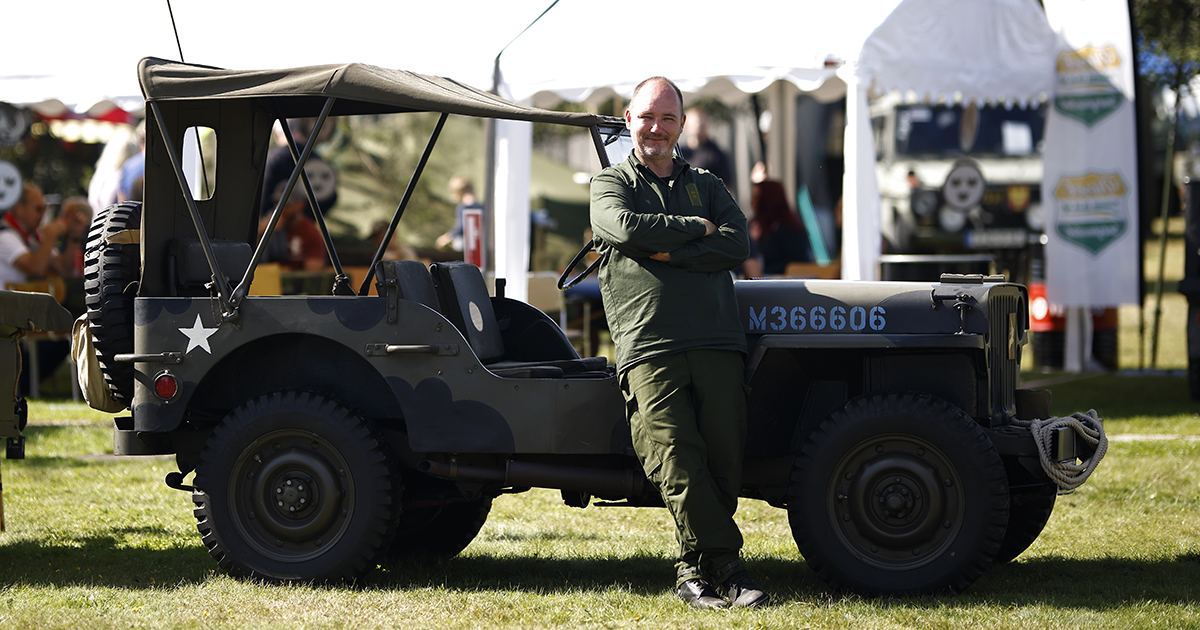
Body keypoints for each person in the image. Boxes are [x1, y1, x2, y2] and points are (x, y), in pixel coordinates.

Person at [589, 77, 767, 610]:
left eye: (668, 118)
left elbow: (737, 242)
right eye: (647, 116)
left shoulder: (708, 182)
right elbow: (624, 229)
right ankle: (727, 568)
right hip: (650, 342)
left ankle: (693, 572)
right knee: (676, 457)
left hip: (716, 339)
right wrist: (695, 229)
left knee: (723, 459)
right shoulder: (609, 184)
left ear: (682, 124)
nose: (656, 127)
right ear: (628, 119)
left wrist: (672, 251)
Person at [0, 183, 82, 286]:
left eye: (44, 209)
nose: (43, 214)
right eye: (38, 209)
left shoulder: (34, 236)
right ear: (19, 208)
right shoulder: (4, 236)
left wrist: (74, 236)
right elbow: (34, 268)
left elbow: (65, 270)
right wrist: (51, 234)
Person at [259, 183, 327, 272]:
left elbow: (314, 267)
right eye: (277, 203)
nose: (281, 209)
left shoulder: (310, 231)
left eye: (287, 204)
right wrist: (261, 233)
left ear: (300, 204)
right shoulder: (267, 224)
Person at [750, 180, 812, 275]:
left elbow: (797, 263)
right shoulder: (754, 226)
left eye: (757, 198)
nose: (752, 202)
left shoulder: (789, 230)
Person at [679, 107, 732, 186]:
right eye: (694, 124)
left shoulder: (716, 154)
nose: (698, 127)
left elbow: (726, 186)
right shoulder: (679, 153)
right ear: (685, 126)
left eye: (701, 124)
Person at [436, 176, 483, 251]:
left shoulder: (463, 207)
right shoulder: (476, 205)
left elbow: (461, 226)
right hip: (477, 238)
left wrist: (449, 236)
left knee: (457, 244)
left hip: (473, 239)